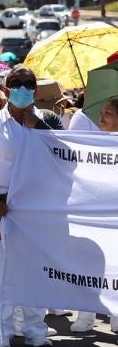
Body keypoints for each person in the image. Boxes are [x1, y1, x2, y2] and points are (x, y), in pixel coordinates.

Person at [0, 66, 62, 347]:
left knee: (35, 271)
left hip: (36, 209)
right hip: (2, 208)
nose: (22, 87)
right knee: (2, 274)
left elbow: (65, 156)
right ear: (7, 88)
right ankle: (2, 331)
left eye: (28, 83)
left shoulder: (49, 120)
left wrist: (40, 127)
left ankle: (36, 330)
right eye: (16, 83)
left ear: (35, 90)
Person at [68, 97, 118, 333]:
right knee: (89, 263)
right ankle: (85, 315)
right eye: (102, 112)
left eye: (108, 113)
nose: (101, 116)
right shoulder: (91, 143)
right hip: (91, 212)